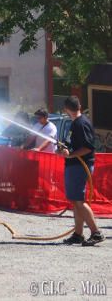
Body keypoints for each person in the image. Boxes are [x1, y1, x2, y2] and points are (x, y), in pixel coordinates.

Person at [57, 96, 103, 246]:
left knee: (79, 201)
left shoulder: (80, 123)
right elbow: (75, 145)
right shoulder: (77, 122)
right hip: (74, 165)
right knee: (76, 201)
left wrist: (70, 154)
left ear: (66, 109)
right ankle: (78, 234)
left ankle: (96, 232)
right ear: (79, 106)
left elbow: (88, 147)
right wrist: (65, 149)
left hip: (79, 166)